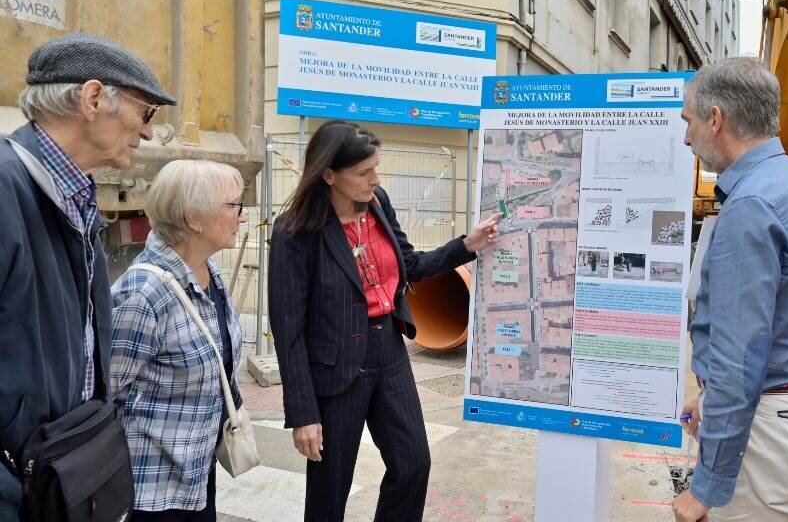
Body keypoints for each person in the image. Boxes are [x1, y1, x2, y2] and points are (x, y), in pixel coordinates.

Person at [269, 120, 501, 522]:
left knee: (413, 464)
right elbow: (288, 331)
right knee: (330, 487)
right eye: (364, 173)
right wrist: (303, 413)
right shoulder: (294, 233)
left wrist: (467, 245)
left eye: (376, 168)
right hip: (335, 366)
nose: (375, 179)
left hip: (388, 352)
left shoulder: (377, 204)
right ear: (328, 174)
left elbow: (410, 265)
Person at [0, 33, 176, 518]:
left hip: (55, 478)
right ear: (94, 98)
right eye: (146, 113)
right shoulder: (5, 186)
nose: (147, 134)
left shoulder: (74, 194)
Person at [672, 58, 788, 522]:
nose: (687, 138)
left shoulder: (751, 206)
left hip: (764, 424)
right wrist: (711, 400)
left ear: (716, 118)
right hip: (781, 408)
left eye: (689, 121)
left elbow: (739, 353)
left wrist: (706, 487)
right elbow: (776, 324)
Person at [110, 160, 247, 520]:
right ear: (193, 218)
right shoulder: (144, 293)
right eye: (233, 206)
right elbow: (100, 391)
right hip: (150, 491)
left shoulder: (209, 272)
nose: (242, 217)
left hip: (198, 476)